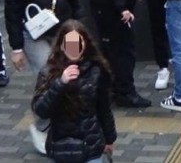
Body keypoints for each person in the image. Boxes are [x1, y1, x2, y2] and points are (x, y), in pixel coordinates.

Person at [6, 0, 84, 154]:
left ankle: (59, 125)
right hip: (34, 34)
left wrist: (78, 30)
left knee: (67, 78)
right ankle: (42, 124)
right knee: (50, 75)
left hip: (61, 31)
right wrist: (16, 48)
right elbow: (12, 12)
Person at [31, 20, 117, 163]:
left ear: (84, 44)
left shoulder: (96, 70)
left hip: (91, 147)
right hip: (60, 147)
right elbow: (41, 111)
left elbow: (104, 108)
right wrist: (60, 83)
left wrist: (109, 139)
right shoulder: (49, 72)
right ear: (62, 46)